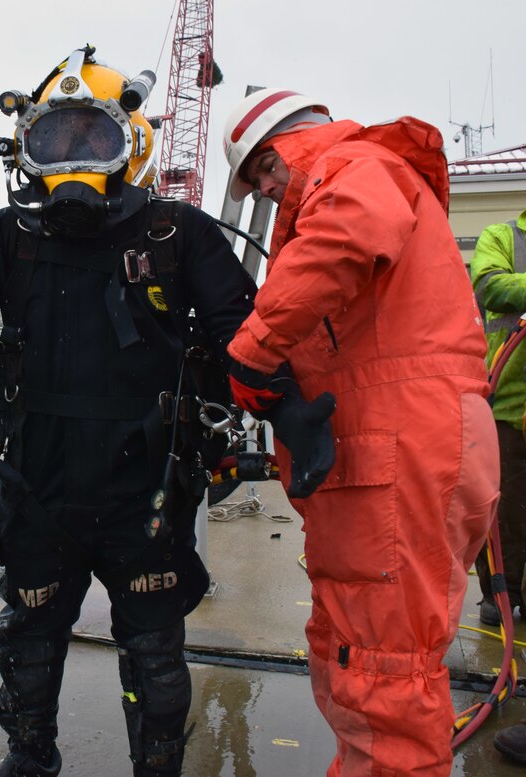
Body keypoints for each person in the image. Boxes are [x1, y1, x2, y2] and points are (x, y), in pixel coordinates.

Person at [0, 46, 257, 777]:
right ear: (26, 149)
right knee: (29, 642)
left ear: (129, 143)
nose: (72, 158)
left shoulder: (178, 234)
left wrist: (282, 416)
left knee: (155, 654)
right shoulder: (8, 237)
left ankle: (158, 765)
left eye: (91, 138)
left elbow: (247, 334)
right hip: (35, 487)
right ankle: (30, 756)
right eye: (54, 140)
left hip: (147, 489)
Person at [222, 89, 498, 776]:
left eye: (260, 172)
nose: (262, 189)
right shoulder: (362, 172)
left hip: (401, 444)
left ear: (284, 146)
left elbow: (343, 236)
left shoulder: (353, 169)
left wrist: (251, 351)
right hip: (393, 444)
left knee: (385, 670)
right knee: (358, 650)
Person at [470, 207, 526, 766]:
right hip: (507, 407)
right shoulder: (503, 237)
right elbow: (490, 287)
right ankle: (499, 598)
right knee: (501, 517)